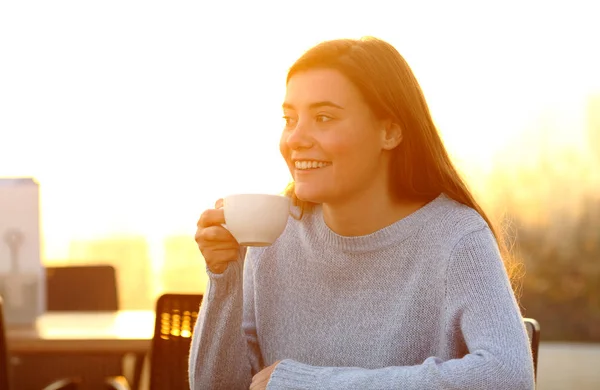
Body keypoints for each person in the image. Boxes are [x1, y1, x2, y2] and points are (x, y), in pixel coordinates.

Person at [190, 36, 534, 389]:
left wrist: (308, 385)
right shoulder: (275, 233)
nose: (295, 139)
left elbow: (509, 377)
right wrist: (224, 279)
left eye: (323, 117)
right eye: (289, 118)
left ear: (389, 131)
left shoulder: (456, 237)